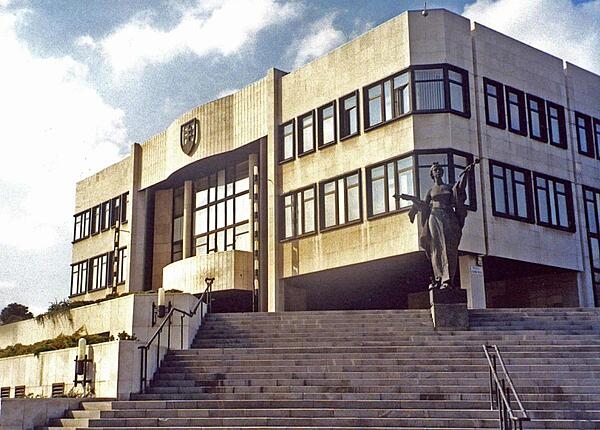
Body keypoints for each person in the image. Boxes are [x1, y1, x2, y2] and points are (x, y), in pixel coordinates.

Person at [401, 159, 478, 289]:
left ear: (442, 172)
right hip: (434, 217)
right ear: (432, 174)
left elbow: (460, 188)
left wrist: (466, 173)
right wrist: (411, 199)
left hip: (448, 217)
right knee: (436, 248)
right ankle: (438, 278)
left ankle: (447, 280)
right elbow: (424, 205)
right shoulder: (431, 191)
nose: (437, 171)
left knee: (449, 248)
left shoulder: (448, 187)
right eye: (434, 170)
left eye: (439, 169)